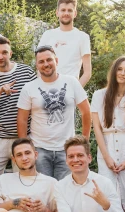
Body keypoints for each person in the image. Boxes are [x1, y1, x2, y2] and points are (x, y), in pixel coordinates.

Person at [0, 36, 37, 208]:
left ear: (10, 53)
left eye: (4, 52)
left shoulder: (26, 72)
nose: (1, 56)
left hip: (23, 137)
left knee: (25, 183)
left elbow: (37, 98)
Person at [17, 45, 90, 181]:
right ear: (37, 65)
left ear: (56, 61)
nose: (46, 64)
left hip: (67, 149)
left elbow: (86, 112)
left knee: (66, 190)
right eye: (41, 61)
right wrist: (26, 148)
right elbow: (22, 119)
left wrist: (84, 141)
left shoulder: (71, 82)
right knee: (43, 191)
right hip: (40, 149)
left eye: (49, 60)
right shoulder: (29, 88)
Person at [91, 56, 125, 209]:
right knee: (108, 194)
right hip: (106, 147)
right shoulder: (99, 95)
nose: (123, 73)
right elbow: (97, 129)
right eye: (120, 69)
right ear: (114, 71)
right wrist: (107, 157)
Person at [37, 0, 92, 86]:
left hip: (70, 90)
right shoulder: (48, 35)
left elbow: (87, 73)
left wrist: (75, 91)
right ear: (57, 13)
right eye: (63, 10)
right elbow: (39, 64)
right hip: (47, 88)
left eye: (70, 10)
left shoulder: (83, 37)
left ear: (75, 13)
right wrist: (42, 87)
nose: (66, 13)